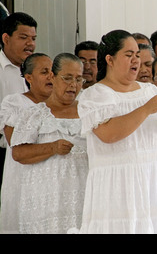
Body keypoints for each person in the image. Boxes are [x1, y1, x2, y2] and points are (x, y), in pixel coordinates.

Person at [77, 29, 157, 234]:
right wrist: (146, 109)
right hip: (117, 184)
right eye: (129, 55)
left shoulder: (149, 90)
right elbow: (109, 135)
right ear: (110, 59)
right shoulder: (95, 95)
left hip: (152, 177)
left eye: (138, 55)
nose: (136, 60)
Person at [10, 53, 88, 234]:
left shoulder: (88, 111)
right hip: (45, 200)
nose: (73, 85)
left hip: (83, 197)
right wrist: (52, 147)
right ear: (53, 77)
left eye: (78, 79)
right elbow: (19, 153)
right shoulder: (35, 113)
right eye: (67, 78)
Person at [0, 53, 53, 234]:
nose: (50, 76)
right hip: (22, 178)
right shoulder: (15, 103)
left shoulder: (61, 105)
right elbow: (15, 142)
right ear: (29, 77)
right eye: (44, 72)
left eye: (53, 71)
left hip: (51, 179)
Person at [0, 12, 37, 191]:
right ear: (6, 38)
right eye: (24, 38)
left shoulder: (38, 70)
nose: (30, 44)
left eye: (33, 38)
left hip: (33, 155)